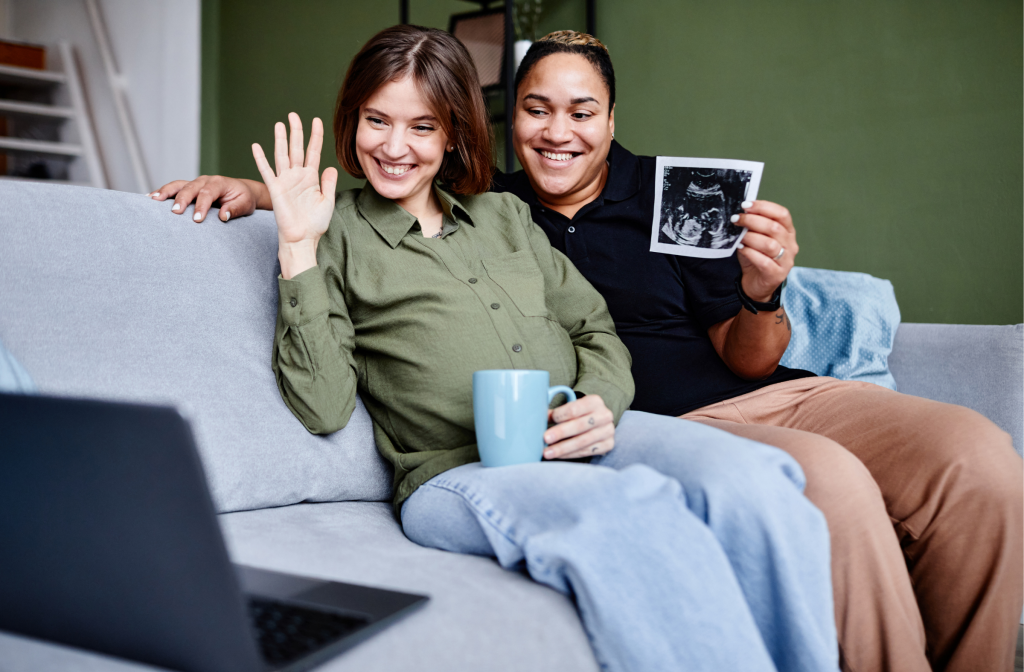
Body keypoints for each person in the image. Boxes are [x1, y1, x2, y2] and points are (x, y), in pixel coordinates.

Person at [157, 26, 1020, 672]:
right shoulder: (407, 216)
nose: (558, 131)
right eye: (536, 109)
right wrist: (277, 219)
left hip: (687, 410)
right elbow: (325, 375)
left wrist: (727, 314)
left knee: (952, 462)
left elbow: (613, 334)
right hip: (493, 461)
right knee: (750, 497)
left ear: (610, 119)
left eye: (580, 111)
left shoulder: (562, 208)